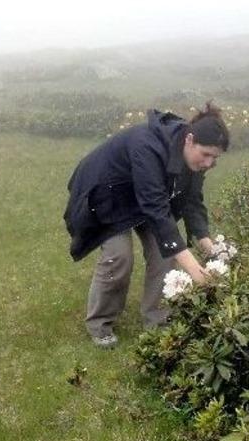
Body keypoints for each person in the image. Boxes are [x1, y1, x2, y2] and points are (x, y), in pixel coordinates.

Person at [63, 102, 229, 348]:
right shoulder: (148, 146)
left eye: (215, 158)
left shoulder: (194, 160)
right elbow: (156, 209)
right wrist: (194, 269)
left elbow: (192, 201)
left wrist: (208, 244)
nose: (208, 163)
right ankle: (100, 323)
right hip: (108, 197)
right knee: (119, 256)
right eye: (206, 154)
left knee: (165, 254)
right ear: (189, 140)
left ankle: (157, 319)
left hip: (145, 196)